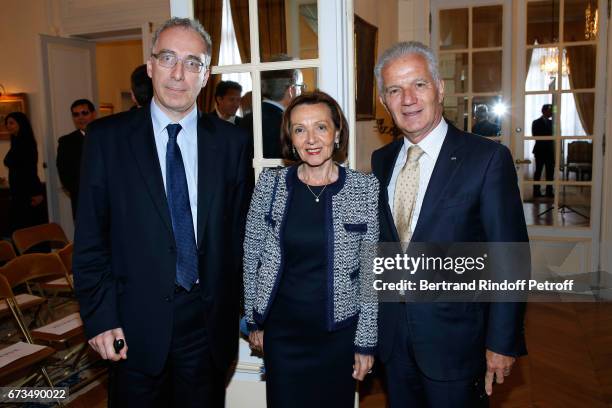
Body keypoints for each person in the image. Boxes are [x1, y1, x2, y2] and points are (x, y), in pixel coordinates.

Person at [73, 17, 250, 407]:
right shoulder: (107, 140)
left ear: (205, 76)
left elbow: (240, 237)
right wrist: (100, 317)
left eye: (192, 62)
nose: (178, 73)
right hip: (133, 325)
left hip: (206, 327)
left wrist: (248, 309)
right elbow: (90, 240)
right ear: (150, 66)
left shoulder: (233, 144)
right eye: (168, 58)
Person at [371, 41, 528, 407]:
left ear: (440, 87)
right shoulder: (381, 160)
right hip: (393, 342)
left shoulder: (487, 159)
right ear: (384, 100)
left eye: (418, 84)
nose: (407, 98)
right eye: (395, 90)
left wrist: (501, 342)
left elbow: (510, 256)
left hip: (457, 343)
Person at [243, 91, 378, 408]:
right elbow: (252, 256)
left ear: (337, 132)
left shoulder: (364, 188)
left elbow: (371, 274)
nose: (311, 139)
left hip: (339, 335)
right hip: (283, 334)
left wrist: (366, 343)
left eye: (321, 127)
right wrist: (254, 320)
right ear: (290, 137)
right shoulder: (270, 184)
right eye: (299, 129)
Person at [240, 55, 303, 158]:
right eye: (301, 86)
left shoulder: (247, 119)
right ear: (291, 91)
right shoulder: (288, 125)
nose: (302, 92)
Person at [3, 112, 45, 232]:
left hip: (27, 192)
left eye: (12, 123)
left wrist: (36, 192)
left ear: (21, 123)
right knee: (20, 227)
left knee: (27, 227)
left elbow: (30, 170)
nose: (8, 126)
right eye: (7, 123)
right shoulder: (17, 141)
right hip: (19, 192)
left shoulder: (26, 142)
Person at [56, 99, 96, 219]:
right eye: (76, 114)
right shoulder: (66, 142)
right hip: (81, 199)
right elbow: (63, 171)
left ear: (93, 114)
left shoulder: (107, 136)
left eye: (85, 113)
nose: (80, 118)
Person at [532, 104, 554, 198]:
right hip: (540, 150)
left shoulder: (553, 123)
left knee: (550, 172)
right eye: (549, 111)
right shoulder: (536, 122)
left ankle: (549, 191)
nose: (551, 113)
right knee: (538, 171)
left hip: (550, 151)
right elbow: (535, 135)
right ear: (544, 111)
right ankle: (536, 191)